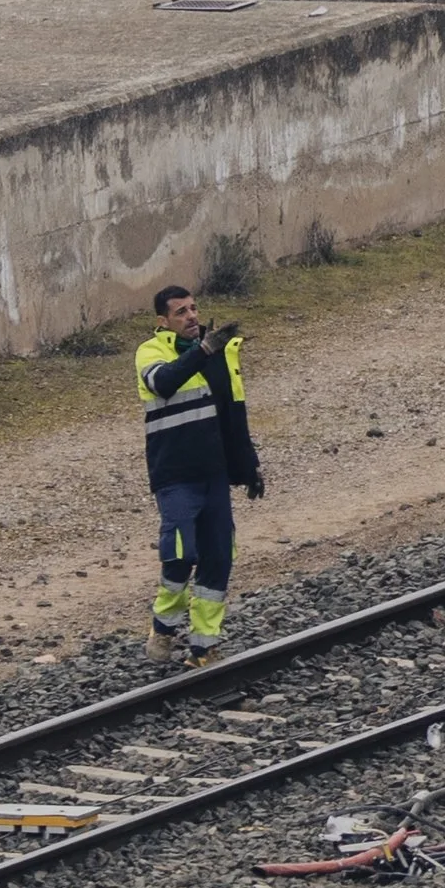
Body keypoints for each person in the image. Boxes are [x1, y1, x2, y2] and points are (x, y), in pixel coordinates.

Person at [135, 283, 264, 663]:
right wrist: (203, 352)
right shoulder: (150, 351)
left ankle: (205, 646)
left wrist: (249, 465)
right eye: (181, 312)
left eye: (193, 309)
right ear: (164, 321)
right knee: (180, 552)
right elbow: (163, 381)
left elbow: (232, 412)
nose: (191, 316)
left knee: (219, 556)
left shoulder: (218, 352)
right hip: (174, 474)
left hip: (214, 474)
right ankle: (163, 626)